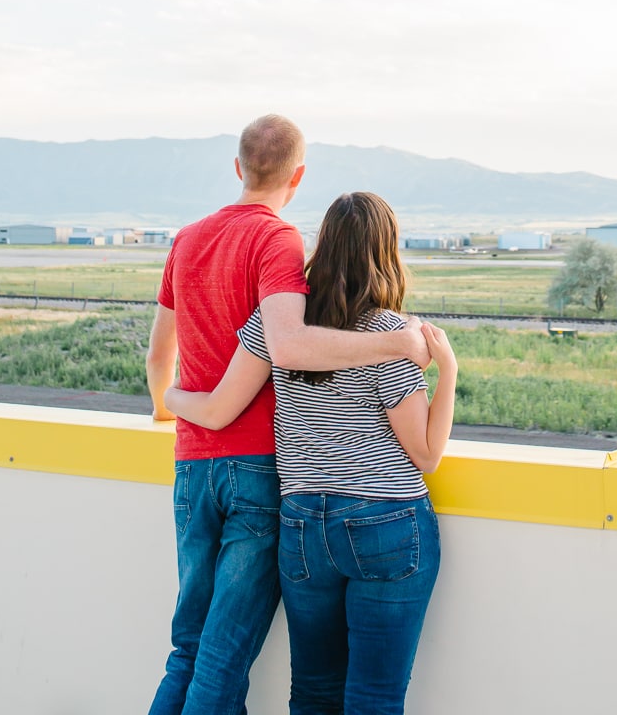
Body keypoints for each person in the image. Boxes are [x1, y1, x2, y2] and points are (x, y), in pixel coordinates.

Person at [146, 119, 429, 715]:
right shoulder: (278, 240)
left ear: (238, 167)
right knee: (221, 661)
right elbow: (292, 345)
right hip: (254, 470)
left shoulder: (188, 237)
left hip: (193, 464)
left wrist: (165, 404)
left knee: (189, 650)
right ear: (297, 176)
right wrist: (405, 344)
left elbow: (158, 355)